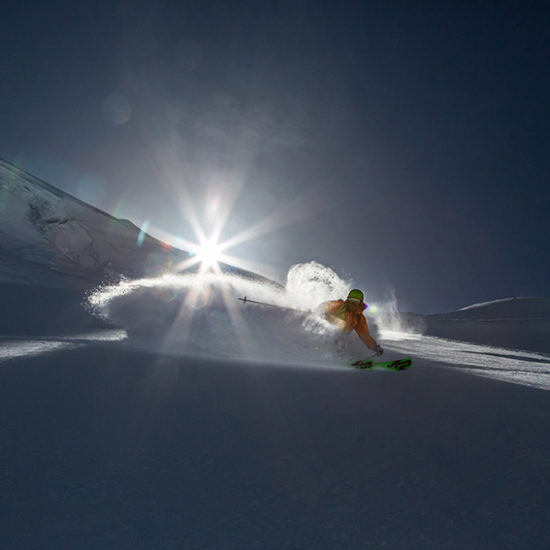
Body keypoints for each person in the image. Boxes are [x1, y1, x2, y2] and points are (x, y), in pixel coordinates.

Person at [319, 289, 384, 355]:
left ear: (360, 303)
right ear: (348, 300)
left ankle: (341, 357)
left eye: (356, 301)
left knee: (348, 340)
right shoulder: (340, 305)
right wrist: (324, 313)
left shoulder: (359, 317)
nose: (352, 304)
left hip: (340, 340)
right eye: (351, 300)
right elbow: (325, 306)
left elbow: (365, 336)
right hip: (326, 334)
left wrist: (375, 347)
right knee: (342, 324)